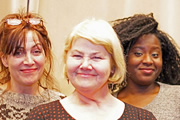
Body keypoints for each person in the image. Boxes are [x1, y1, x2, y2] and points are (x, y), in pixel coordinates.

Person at [27, 18, 157, 120]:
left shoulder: (142, 118)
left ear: (113, 66)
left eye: (96, 57)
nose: (85, 65)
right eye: (77, 56)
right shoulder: (43, 116)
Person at [111, 13, 180, 120]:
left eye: (155, 55)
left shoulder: (177, 96)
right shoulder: (109, 102)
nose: (148, 61)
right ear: (123, 57)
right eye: (138, 53)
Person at [0, 12, 64, 120]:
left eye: (36, 51)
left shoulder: (61, 106)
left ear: (46, 56)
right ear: (4, 59)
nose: (29, 61)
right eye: (18, 53)